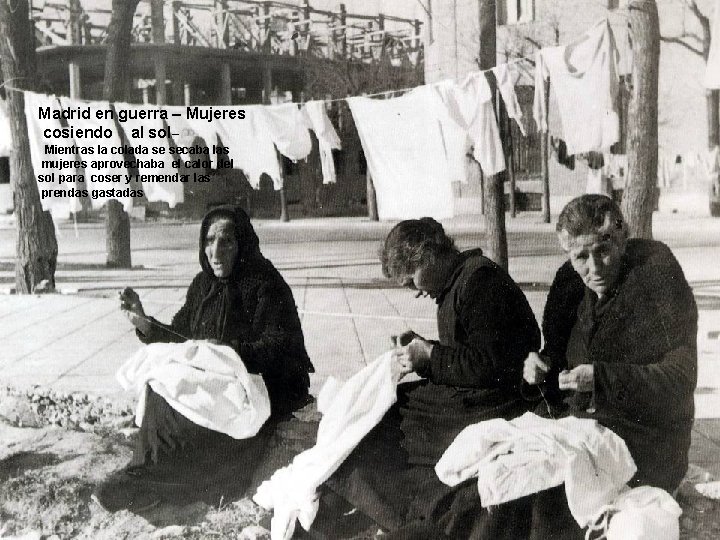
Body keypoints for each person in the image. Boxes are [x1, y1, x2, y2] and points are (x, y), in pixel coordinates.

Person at [315, 217, 541, 536]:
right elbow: (469, 353)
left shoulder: (480, 282)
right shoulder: (460, 282)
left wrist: (430, 356)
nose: (413, 290)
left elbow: (493, 364)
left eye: (411, 279)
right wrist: (424, 348)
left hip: (498, 402)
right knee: (388, 409)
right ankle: (388, 505)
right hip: (477, 394)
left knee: (389, 422)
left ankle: (402, 514)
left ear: (428, 257)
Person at [94, 205, 314, 512]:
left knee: (191, 419)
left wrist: (228, 351)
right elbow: (181, 335)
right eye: (209, 241)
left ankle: (146, 480)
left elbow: (280, 348)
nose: (215, 251)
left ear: (243, 244)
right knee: (159, 383)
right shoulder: (203, 285)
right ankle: (145, 472)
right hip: (216, 381)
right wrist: (144, 322)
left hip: (262, 387)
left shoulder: (264, 284)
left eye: (226, 242)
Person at [519, 194, 698, 538]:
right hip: (587, 429)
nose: (595, 268)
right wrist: (540, 369)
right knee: (512, 481)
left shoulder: (655, 272)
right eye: (581, 257)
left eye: (604, 251)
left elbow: (682, 376)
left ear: (622, 240)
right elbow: (556, 356)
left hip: (647, 441)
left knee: (550, 496)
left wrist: (602, 378)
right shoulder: (570, 282)